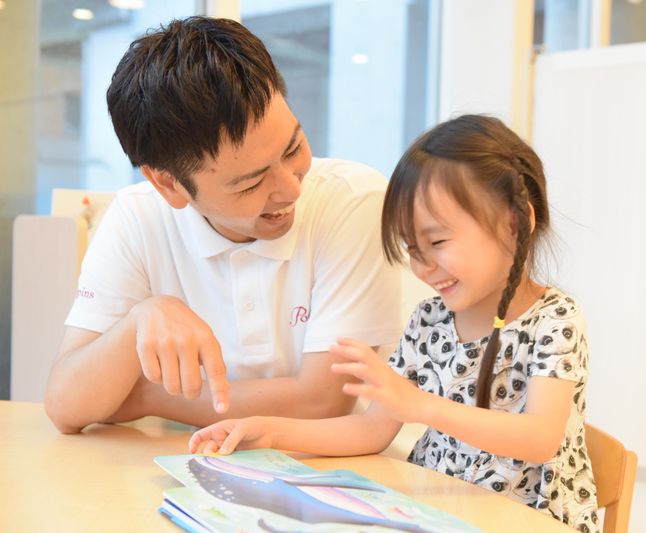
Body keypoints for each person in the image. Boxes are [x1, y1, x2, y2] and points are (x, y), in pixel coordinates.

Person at [189, 115, 600, 532]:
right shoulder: (429, 320)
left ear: (516, 222)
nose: (423, 266)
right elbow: (371, 428)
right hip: (441, 517)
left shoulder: (555, 319)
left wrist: (421, 405)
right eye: (412, 249)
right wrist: (267, 432)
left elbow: (540, 438)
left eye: (437, 242)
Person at [44, 17, 401, 434]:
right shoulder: (138, 217)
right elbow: (66, 404)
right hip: (179, 463)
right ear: (168, 184)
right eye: (251, 182)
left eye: (293, 149)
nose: (291, 189)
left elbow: (322, 402)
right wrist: (141, 318)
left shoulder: (352, 200)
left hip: (331, 465)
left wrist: (143, 397)